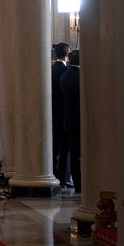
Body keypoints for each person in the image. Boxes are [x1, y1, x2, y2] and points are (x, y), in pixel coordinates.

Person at [59, 49, 81, 193]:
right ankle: (81, 182)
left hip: (67, 118)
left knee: (70, 153)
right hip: (78, 119)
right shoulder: (80, 76)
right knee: (78, 154)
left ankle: (73, 180)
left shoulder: (64, 75)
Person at [51, 42, 71, 187]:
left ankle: (57, 173)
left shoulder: (52, 69)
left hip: (53, 112)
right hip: (63, 113)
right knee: (63, 147)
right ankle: (62, 177)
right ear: (67, 54)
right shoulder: (65, 71)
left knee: (55, 146)